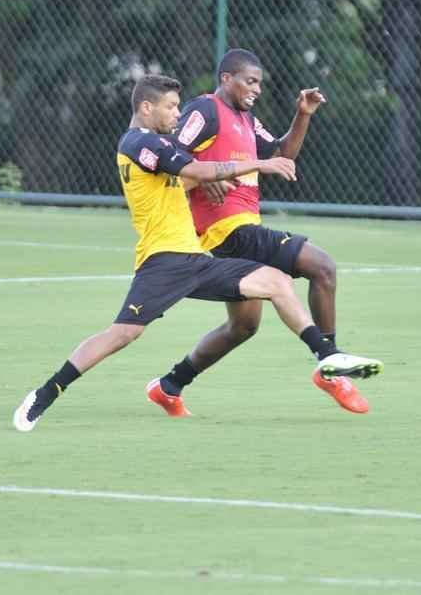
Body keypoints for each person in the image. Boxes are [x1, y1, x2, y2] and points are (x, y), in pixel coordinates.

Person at [12, 74, 380, 430]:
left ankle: (327, 356)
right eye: (171, 107)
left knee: (277, 282)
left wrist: (218, 177)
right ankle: (44, 394)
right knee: (121, 334)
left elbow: (186, 177)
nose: (177, 114)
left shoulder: (158, 144)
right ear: (146, 107)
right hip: (162, 262)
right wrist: (256, 164)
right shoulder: (137, 142)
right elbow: (193, 168)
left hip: (195, 258)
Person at [155, 48, 380, 415]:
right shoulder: (205, 109)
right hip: (228, 231)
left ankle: (169, 385)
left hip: (243, 231)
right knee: (322, 267)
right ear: (226, 78)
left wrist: (302, 115)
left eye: (259, 83)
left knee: (243, 327)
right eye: (250, 80)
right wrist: (200, 176)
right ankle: (331, 366)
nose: (256, 88)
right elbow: (170, 154)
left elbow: (281, 153)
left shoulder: (246, 119)